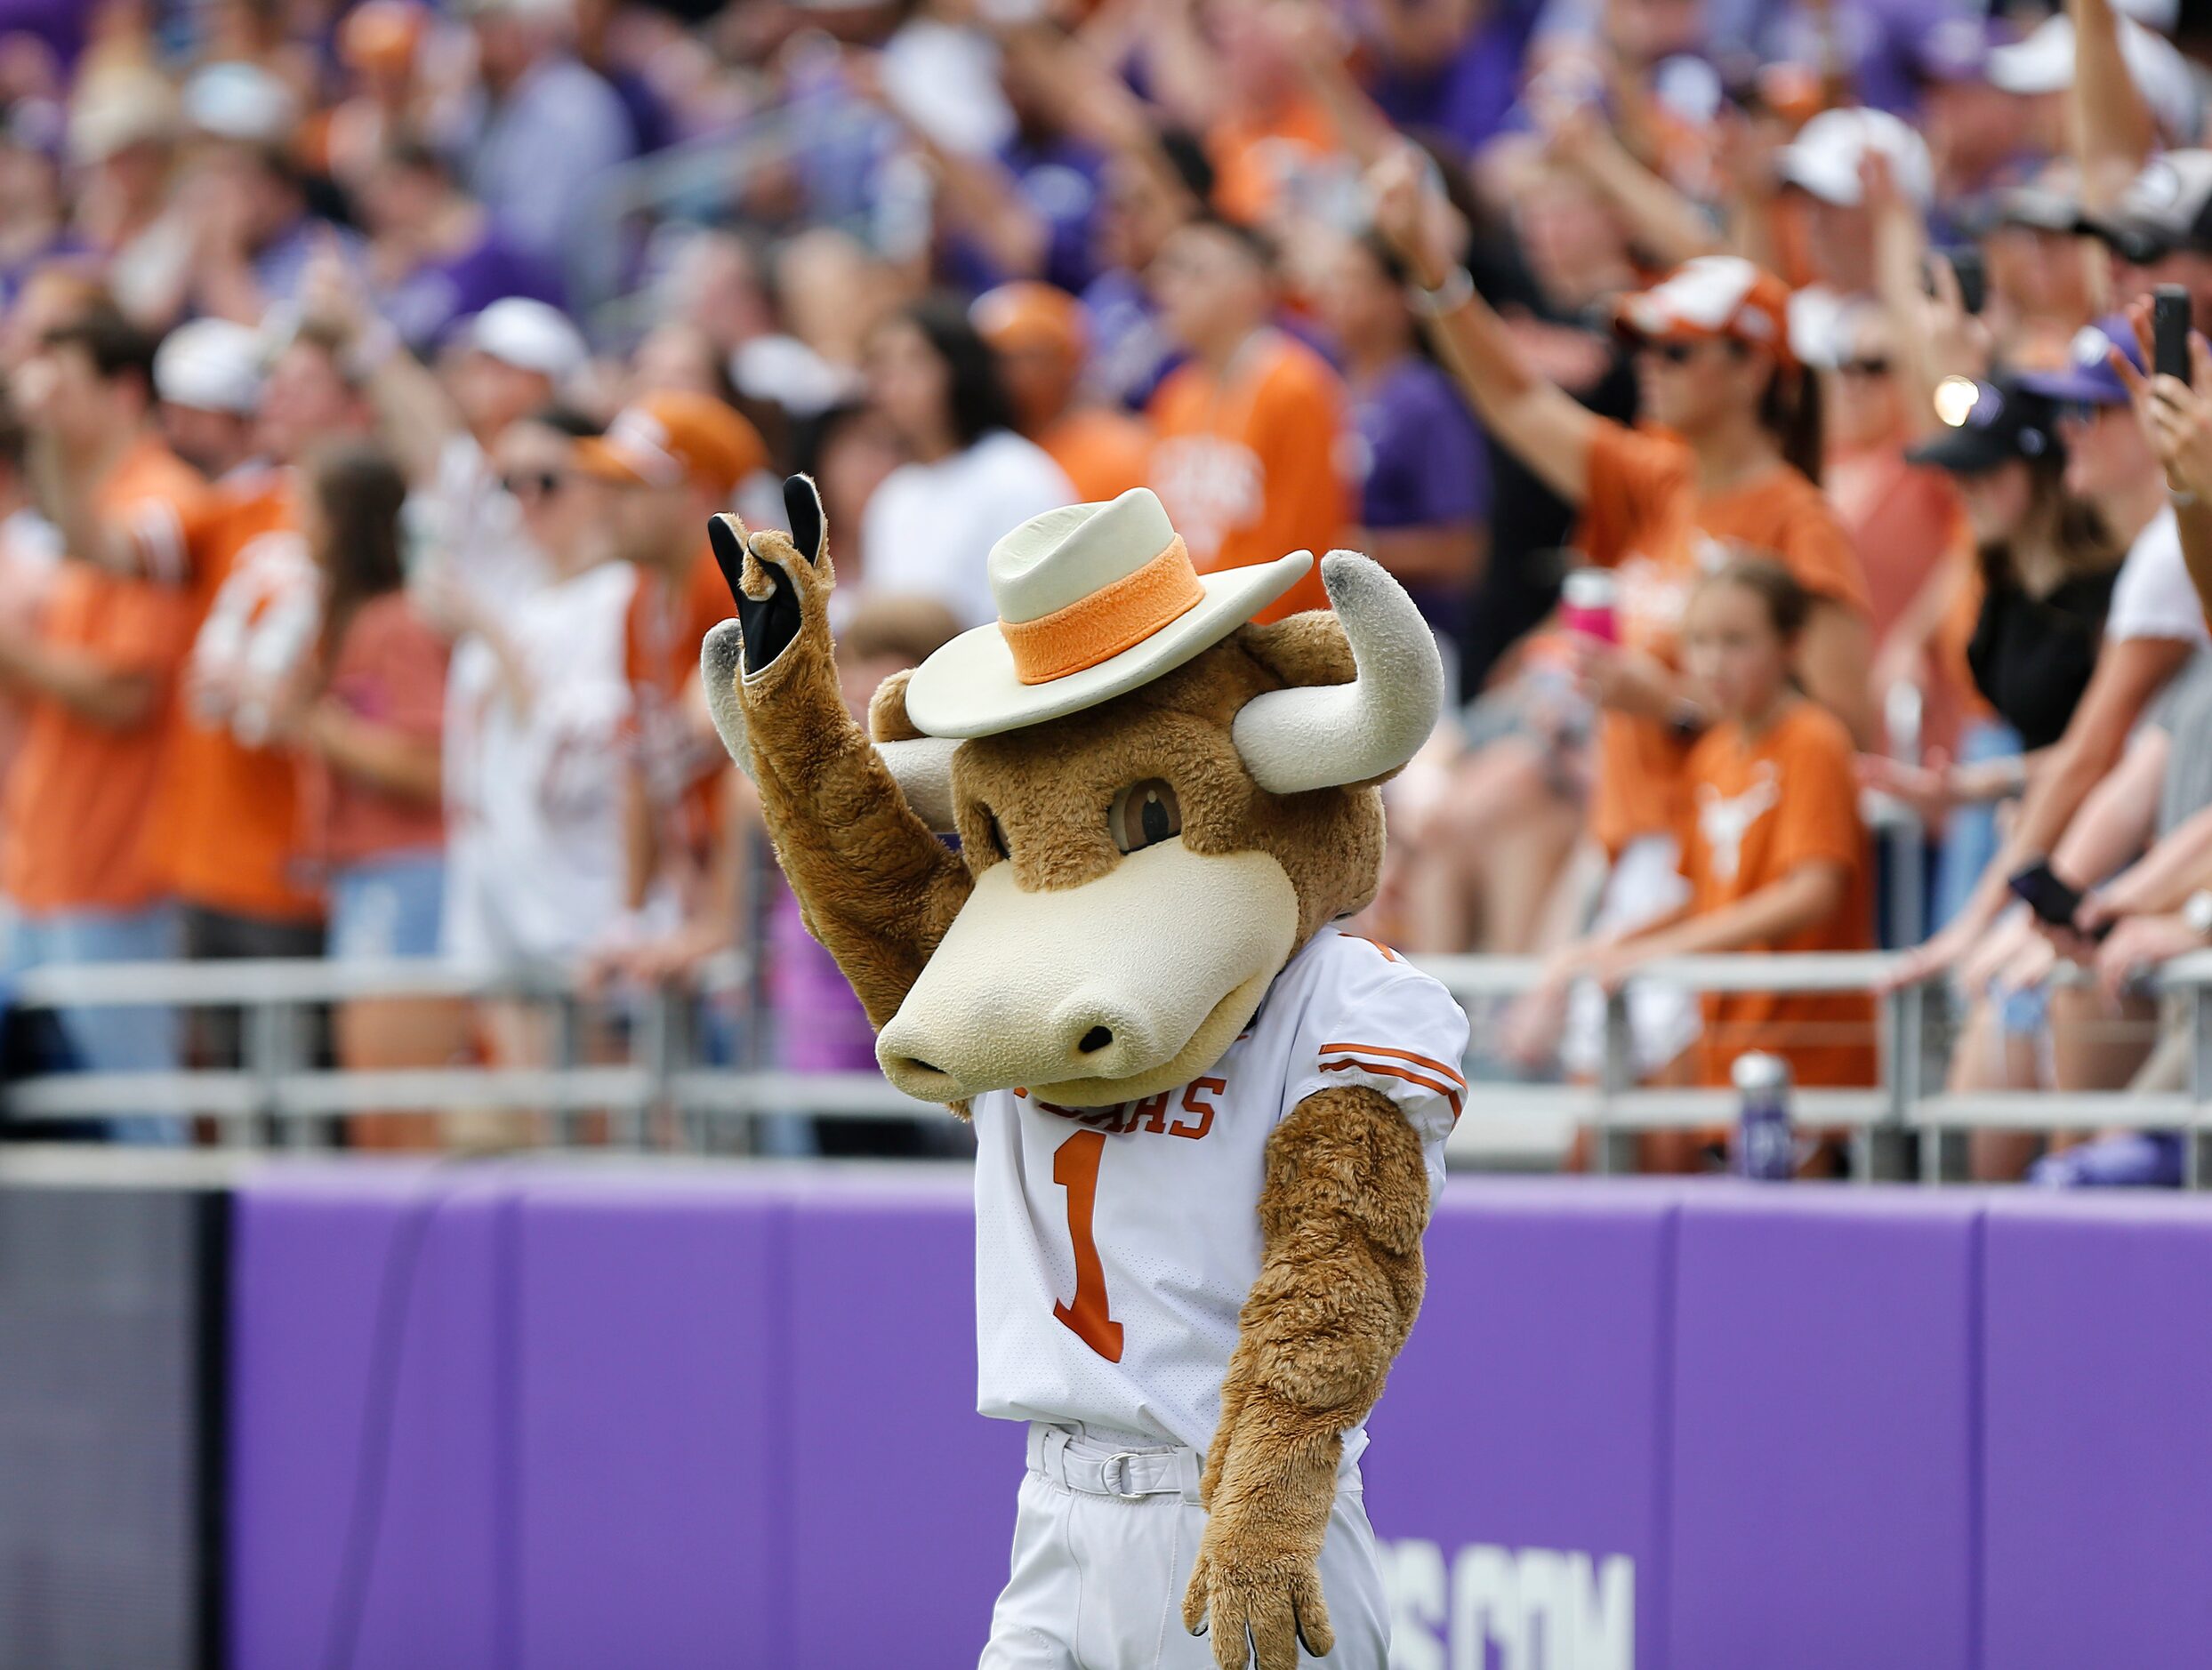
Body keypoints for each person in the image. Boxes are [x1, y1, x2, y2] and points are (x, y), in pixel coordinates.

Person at [1370, 149, 1872, 1082]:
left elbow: (1842, 733)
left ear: (1754, 370)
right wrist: (1434, 273)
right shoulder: (1658, 479)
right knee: (1608, 1117)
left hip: (1729, 863)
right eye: (1643, 346)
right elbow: (1519, 397)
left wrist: (1681, 701)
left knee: (1657, 1128)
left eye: (1675, 350)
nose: (1649, 367)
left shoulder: (1801, 525)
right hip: (1638, 839)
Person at [1532, 560, 1874, 1168]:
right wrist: (1606, 946)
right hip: (1729, 1042)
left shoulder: (1813, 740)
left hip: (1806, 1050)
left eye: (1736, 642)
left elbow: (1812, 892)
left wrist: (1663, 952)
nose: (1713, 661)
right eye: (1699, 642)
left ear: (1790, 647)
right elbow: (1703, 897)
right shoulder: (1713, 752)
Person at [4, 305, 207, 1139]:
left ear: (124, 391)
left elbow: (126, 698)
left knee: (135, 1114)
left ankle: (171, 1276)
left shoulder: (163, 499)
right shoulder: (80, 514)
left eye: (64, 382)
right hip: (42, 864)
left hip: (120, 871)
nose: (43, 400)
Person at [283, 438, 459, 1147]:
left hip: (407, 877)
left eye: (309, 509)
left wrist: (314, 724)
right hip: (364, 877)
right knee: (370, 1102)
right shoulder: (348, 620)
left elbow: (431, 768)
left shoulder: (396, 625)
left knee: (394, 1105)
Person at [571, 389, 761, 979]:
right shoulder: (642, 596)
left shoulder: (748, 575)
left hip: (779, 904)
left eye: (628, 489)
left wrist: (719, 925)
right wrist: (630, 918)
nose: (603, 507)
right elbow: (641, 760)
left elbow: (753, 774)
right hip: (703, 896)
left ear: (699, 495)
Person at [1146, 215, 1351, 622]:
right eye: (1164, 270)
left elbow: (1301, 547)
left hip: (1276, 643)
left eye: (1191, 270)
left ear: (1253, 287)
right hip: (1191, 635)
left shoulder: (1296, 389)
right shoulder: (1174, 396)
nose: (1166, 287)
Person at [1313, 228, 1488, 656]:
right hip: (1337, 630)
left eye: (1353, 281)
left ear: (1398, 299)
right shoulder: (1321, 386)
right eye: (1333, 280)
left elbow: (1464, 552)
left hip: (1412, 640)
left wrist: (1351, 548)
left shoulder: (1427, 399)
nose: (1335, 295)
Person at [857, 296, 1074, 625]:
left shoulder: (1015, 473)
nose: (892, 384)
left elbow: (1049, 603)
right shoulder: (894, 495)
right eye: (881, 367)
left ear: (959, 368)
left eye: (913, 362)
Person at [970, 281, 1154, 505]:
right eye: (992, 360)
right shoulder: (970, 454)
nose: (1002, 373)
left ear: (1066, 363)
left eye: (1021, 357)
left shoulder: (1119, 451)